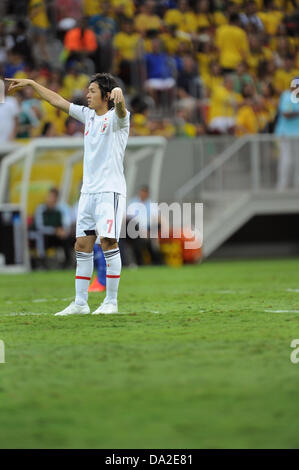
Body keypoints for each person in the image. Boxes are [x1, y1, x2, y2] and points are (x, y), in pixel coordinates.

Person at [6, 72, 130, 315]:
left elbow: (122, 112)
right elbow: (57, 101)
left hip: (110, 191)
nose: (87, 95)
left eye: (92, 91)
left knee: (108, 242)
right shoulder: (88, 116)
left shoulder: (117, 119)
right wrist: (32, 84)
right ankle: (81, 303)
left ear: (106, 95)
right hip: (88, 192)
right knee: (82, 244)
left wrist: (121, 97)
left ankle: (111, 302)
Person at [29, 187, 72, 268]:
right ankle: (41, 262)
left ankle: (67, 262)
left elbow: (64, 224)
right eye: (49, 196)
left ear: (56, 199)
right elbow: (40, 227)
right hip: (39, 235)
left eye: (52, 197)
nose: (50, 199)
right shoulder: (40, 209)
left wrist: (63, 231)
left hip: (53, 236)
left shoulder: (59, 210)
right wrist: (55, 230)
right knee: (41, 236)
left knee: (66, 238)